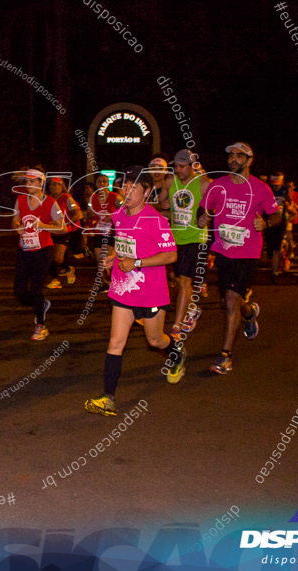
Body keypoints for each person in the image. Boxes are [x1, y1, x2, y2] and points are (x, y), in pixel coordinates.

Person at [84, 165, 181, 418]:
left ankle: (176, 352)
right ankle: (108, 398)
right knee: (115, 342)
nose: (126, 191)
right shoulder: (119, 216)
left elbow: (171, 255)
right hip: (122, 288)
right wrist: (112, 257)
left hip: (150, 292)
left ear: (146, 192)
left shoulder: (155, 220)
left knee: (155, 340)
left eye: (133, 187)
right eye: (124, 186)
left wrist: (137, 262)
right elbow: (122, 246)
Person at [200, 142, 281, 375]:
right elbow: (204, 208)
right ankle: (250, 313)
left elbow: (276, 214)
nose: (233, 159)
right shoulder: (218, 186)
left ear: (249, 160)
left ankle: (225, 356)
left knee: (231, 300)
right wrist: (202, 216)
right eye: (231, 155)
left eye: (239, 156)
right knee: (228, 301)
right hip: (223, 250)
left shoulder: (261, 188)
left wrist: (266, 223)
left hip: (248, 252)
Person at [12, 166, 65, 341]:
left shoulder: (50, 203)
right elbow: (15, 219)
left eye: (32, 181)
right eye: (26, 181)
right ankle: (40, 305)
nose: (28, 184)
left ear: (41, 183)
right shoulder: (20, 200)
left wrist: (43, 226)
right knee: (19, 291)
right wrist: (17, 226)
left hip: (43, 250)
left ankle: (41, 326)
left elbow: (62, 227)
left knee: (36, 287)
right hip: (24, 250)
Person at [165, 149, 211, 341]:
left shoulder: (203, 184)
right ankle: (192, 309)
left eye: (182, 166)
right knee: (177, 282)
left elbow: (217, 205)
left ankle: (176, 327)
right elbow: (162, 206)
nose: (178, 169)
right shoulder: (170, 182)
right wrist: (162, 208)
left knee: (184, 281)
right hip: (175, 238)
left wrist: (207, 215)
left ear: (193, 167)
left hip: (196, 239)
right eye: (175, 166)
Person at [46, 176, 84, 289]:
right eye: (50, 184)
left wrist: (67, 223)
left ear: (61, 186)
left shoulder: (67, 198)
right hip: (49, 231)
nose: (51, 186)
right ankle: (55, 279)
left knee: (57, 259)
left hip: (63, 232)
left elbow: (78, 215)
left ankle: (68, 269)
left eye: (54, 184)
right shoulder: (47, 198)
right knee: (47, 257)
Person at [83, 173, 121, 266]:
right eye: (99, 182)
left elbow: (126, 211)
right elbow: (88, 215)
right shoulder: (93, 198)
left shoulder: (115, 197)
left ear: (108, 184)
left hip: (111, 232)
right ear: (96, 184)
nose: (102, 184)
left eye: (104, 181)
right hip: (98, 232)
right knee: (99, 261)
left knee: (107, 261)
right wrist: (91, 214)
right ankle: (106, 279)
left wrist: (113, 216)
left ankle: (111, 278)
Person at [264, 172, 292, 282]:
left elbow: (290, 203)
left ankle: (274, 273)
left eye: (277, 184)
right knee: (270, 247)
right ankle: (273, 260)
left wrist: (289, 205)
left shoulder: (285, 190)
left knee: (277, 247)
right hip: (269, 220)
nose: (276, 186)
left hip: (281, 221)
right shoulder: (267, 189)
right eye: (274, 184)